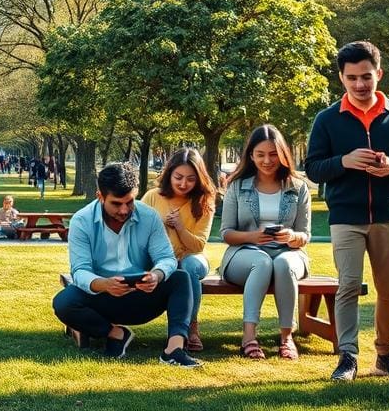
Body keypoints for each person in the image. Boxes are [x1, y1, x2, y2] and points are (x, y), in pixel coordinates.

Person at [305, 40, 389, 381]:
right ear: (341, 78)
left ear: (379, 74)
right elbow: (313, 168)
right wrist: (343, 161)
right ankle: (347, 357)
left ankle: (386, 355)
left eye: (366, 77)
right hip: (346, 217)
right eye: (352, 78)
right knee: (348, 286)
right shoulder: (327, 119)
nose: (360, 84)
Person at [52, 163, 202, 368]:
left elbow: (167, 258)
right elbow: (80, 270)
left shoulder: (149, 216)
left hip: (143, 296)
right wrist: (104, 284)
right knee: (63, 301)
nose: (124, 210)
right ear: (100, 196)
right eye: (116, 204)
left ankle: (174, 350)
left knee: (180, 277)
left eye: (129, 202)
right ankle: (117, 334)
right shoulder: (82, 221)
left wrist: (156, 275)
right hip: (102, 298)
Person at [219, 124, 311, 361]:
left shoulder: (298, 187)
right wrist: (252, 236)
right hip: (244, 253)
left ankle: (287, 338)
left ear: (282, 154)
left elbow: (305, 235)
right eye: (260, 155)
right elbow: (226, 233)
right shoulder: (237, 185)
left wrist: (291, 236)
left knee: (282, 263)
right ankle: (249, 337)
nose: (267, 161)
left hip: (287, 252)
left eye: (273, 154)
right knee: (262, 261)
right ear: (251, 155)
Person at [141, 147, 216, 351]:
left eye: (191, 179)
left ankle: (190, 327)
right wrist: (160, 225)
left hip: (193, 258)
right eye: (178, 177)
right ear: (169, 174)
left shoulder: (204, 201)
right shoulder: (153, 196)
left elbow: (198, 245)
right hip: (160, 260)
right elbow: (137, 231)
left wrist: (180, 227)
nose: (183, 184)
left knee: (188, 267)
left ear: (199, 178)